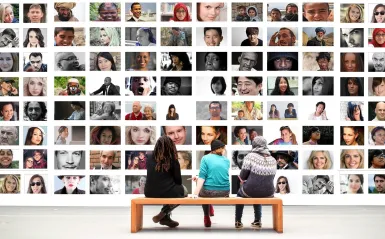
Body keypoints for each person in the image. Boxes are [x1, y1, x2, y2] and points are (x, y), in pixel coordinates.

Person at [145, 135, 188, 228]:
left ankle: (166, 219)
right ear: (171, 146)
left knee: (169, 191)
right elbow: (178, 181)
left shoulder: (149, 157)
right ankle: (163, 213)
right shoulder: (173, 159)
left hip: (149, 192)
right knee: (184, 191)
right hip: (167, 191)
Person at [234, 136, 277, 229]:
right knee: (258, 192)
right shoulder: (273, 159)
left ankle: (238, 221)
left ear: (254, 145)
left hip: (250, 191)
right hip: (269, 192)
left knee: (241, 194)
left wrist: (246, 180)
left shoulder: (250, 157)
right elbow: (271, 177)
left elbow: (242, 176)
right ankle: (257, 221)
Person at [192, 140, 230, 228]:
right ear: (221, 149)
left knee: (203, 189)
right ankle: (211, 208)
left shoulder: (205, 158)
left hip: (208, 192)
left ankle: (206, 216)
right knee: (206, 185)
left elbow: (202, 177)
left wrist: (195, 194)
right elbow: (216, 175)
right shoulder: (226, 160)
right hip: (225, 192)